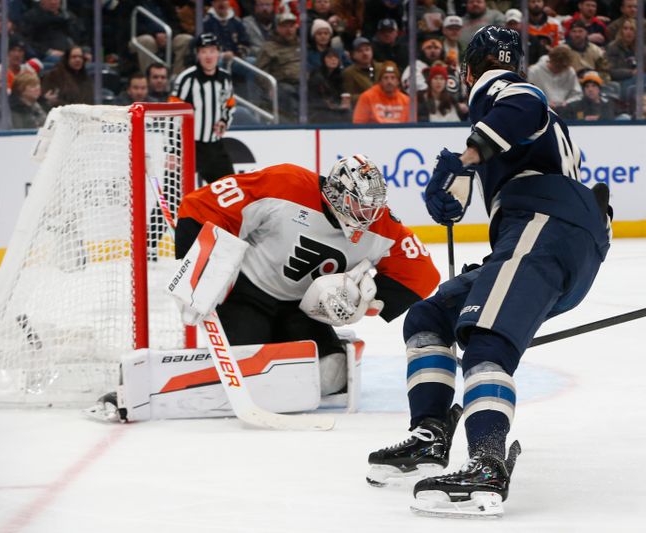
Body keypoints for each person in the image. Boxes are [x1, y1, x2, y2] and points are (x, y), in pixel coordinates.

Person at [366, 25, 611, 518]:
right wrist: (461, 185)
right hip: (548, 234)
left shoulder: (497, 86)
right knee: (429, 318)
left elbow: (527, 103)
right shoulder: (523, 130)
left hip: (545, 226)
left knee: (486, 340)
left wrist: (466, 157)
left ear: (470, 67)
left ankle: (485, 462)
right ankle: (431, 434)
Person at [173, 156, 439, 398]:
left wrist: (369, 297)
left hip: (304, 310)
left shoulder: (382, 225)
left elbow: (423, 273)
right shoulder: (284, 183)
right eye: (359, 206)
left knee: (331, 375)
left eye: (373, 207)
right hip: (247, 295)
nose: (368, 216)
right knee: (245, 370)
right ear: (336, 193)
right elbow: (200, 205)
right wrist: (196, 274)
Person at [173, 33, 235, 185]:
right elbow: (172, 114)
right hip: (188, 147)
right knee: (174, 193)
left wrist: (224, 121)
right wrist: (172, 150)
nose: (209, 56)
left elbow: (229, 104)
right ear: (197, 54)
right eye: (204, 51)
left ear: (219, 53)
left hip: (214, 146)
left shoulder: (225, 78)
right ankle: (161, 211)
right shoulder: (186, 79)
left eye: (212, 50)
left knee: (230, 189)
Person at [255, 11, 301, 122]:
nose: (289, 30)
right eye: (284, 26)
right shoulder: (269, 47)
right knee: (287, 93)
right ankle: (293, 125)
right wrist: (270, 87)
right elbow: (260, 72)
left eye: (291, 26)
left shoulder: (302, 44)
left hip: (304, 83)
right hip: (283, 84)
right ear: (278, 28)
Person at [526, 45, 582, 111]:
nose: (559, 70)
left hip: (565, 112)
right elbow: (529, 95)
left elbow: (577, 94)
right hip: (541, 110)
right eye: (557, 67)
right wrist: (545, 103)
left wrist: (567, 102)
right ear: (551, 60)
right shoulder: (534, 72)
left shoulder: (569, 71)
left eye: (563, 68)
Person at [308, 47, 351, 123]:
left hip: (334, 109)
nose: (333, 59)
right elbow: (316, 99)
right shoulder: (317, 77)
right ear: (323, 59)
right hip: (319, 111)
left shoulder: (338, 76)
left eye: (336, 57)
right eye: (330, 57)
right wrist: (334, 106)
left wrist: (344, 102)